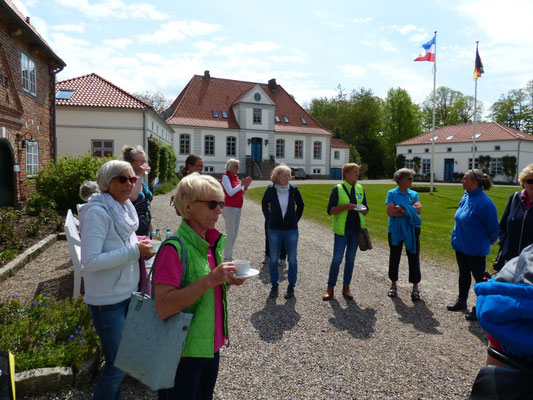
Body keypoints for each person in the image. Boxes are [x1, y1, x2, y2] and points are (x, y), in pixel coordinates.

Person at [154, 173, 244, 399]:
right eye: (213, 204)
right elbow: (163, 306)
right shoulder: (174, 248)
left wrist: (226, 281)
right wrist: (210, 279)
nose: (220, 210)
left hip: (210, 347)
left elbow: (206, 294)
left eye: (221, 204)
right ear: (189, 206)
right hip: (182, 354)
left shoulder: (210, 243)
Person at [79, 160, 153, 399]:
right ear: (106, 182)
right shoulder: (97, 212)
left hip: (126, 295)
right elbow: (90, 261)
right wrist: (135, 251)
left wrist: (139, 246)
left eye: (132, 179)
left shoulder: (123, 208)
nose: (129, 183)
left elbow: (122, 243)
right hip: (107, 300)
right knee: (117, 364)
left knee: (122, 360)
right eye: (122, 179)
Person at [448, 169, 499, 320]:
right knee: (463, 274)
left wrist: (484, 243)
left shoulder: (485, 203)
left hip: (475, 249)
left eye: (464, 179)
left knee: (479, 278)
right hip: (461, 246)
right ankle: (461, 301)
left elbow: (494, 229)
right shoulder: (466, 196)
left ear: (474, 182)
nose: (462, 181)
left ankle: (481, 308)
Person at [323, 163, 369, 301]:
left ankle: (346, 287)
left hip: (356, 230)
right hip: (342, 231)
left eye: (357, 172)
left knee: (350, 260)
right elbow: (330, 211)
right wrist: (344, 207)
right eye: (354, 172)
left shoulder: (360, 188)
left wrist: (363, 209)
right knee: (337, 259)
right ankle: (330, 288)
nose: (357, 174)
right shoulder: (337, 189)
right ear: (346, 174)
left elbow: (366, 209)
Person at [262, 165, 304, 299]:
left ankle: (291, 286)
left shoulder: (293, 190)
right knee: (273, 259)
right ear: (277, 177)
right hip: (274, 229)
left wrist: (295, 219)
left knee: (292, 259)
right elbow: (264, 204)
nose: (287, 178)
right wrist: (269, 218)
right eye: (284, 175)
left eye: (288, 175)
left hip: (291, 229)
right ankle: (274, 286)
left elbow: (301, 205)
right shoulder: (270, 190)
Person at [384, 168, 422, 301]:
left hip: (411, 230)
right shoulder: (392, 193)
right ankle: (393, 285)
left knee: (414, 257)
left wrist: (402, 208)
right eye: (409, 178)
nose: (412, 181)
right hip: (395, 230)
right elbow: (390, 212)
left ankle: (415, 287)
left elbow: (419, 210)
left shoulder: (414, 194)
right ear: (401, 180)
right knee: (394, 257)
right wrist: (409, 209)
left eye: (412, 178)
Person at [498, 163, 533, 264]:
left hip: (530, 262)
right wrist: (504, 243)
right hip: (510, 258)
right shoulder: (514, 198)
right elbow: (502, 225)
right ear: (523, 182)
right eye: (530, 181)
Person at [220, 159, 252, 261]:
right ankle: (226, 256)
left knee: (235, 233)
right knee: (230, 233)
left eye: (238, 166)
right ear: (231, 167)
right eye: (236, 166)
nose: (238, 168)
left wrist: (245, 187)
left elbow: (240, 193)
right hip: (229, 208)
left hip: (237, 207)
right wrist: (241, 184)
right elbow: (230, 192)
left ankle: (229, 254)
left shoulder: (235, 178)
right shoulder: (226, 177)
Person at [122, 145, 153, 237]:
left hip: (145, 225)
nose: (144, 164)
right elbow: (132, 197)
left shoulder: (142, 181)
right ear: (131, 163)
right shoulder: (126, 180)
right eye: (141, 161)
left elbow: (146, 206)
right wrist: (139, 174)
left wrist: (152, 231)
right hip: (133, 228)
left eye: (145, 161)